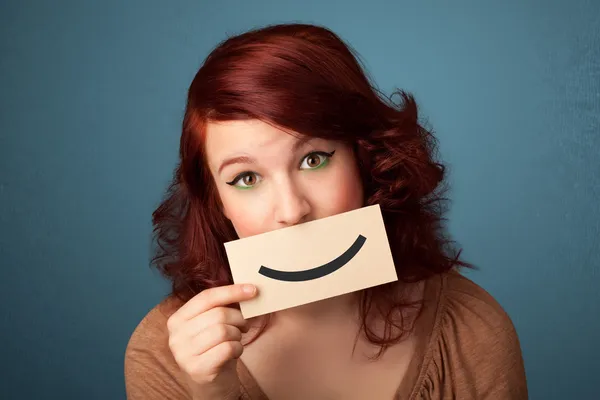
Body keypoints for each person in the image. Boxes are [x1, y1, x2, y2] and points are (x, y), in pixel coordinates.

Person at [124, 23, 528, 400]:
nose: (291, 210)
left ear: (366, 162)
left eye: (314, 159)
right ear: (217, 201)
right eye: (247, 178)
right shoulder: (162, 353)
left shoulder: (471, 331)